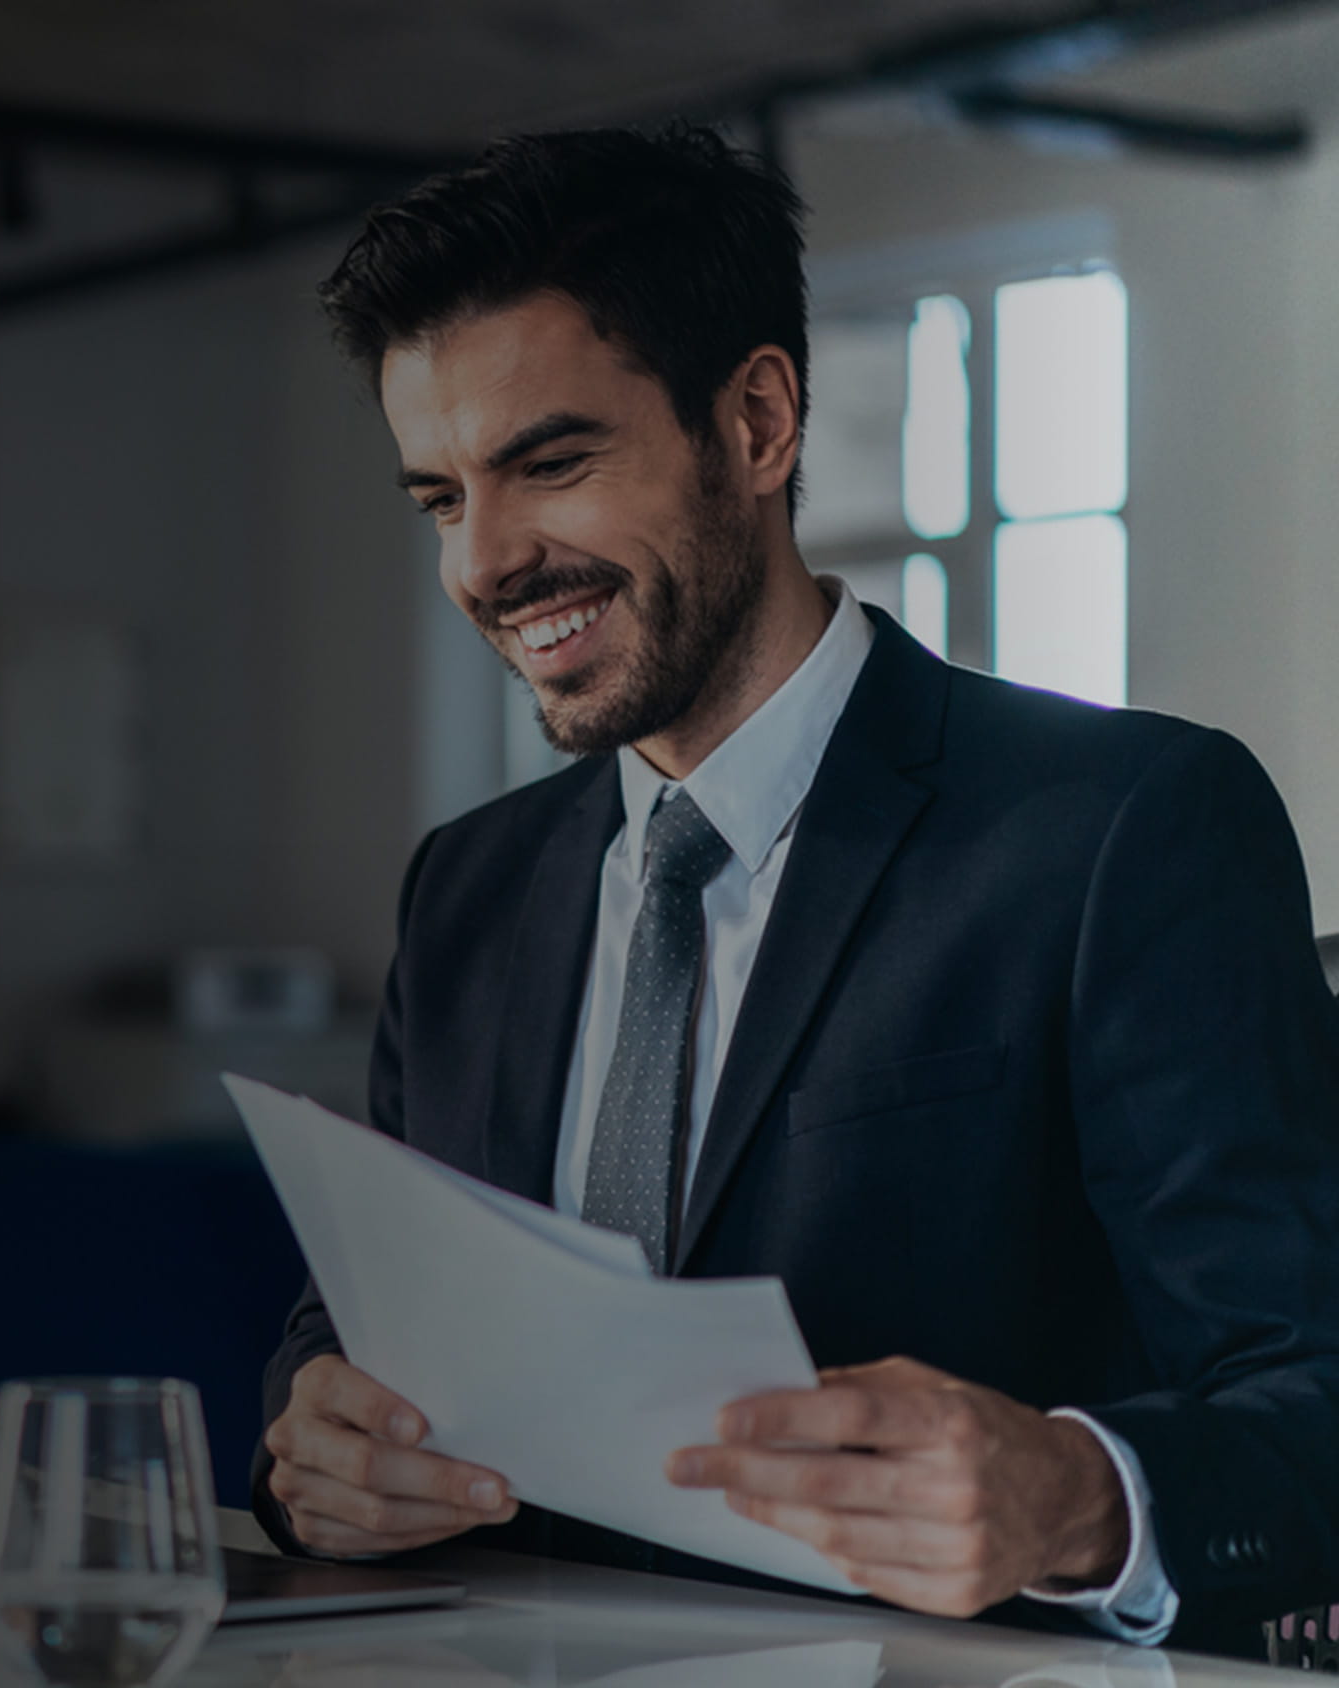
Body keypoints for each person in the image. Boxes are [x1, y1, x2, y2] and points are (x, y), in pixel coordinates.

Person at [249, 124, 1339, 1657]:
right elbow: (355, 1326)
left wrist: (1081, 1496)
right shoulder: (467, 890)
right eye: (439, 498)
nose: (483, 563)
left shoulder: (1124, 830)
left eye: (551, 464)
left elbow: (1311, 1391)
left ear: (757, 423)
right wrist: (315, 1446)